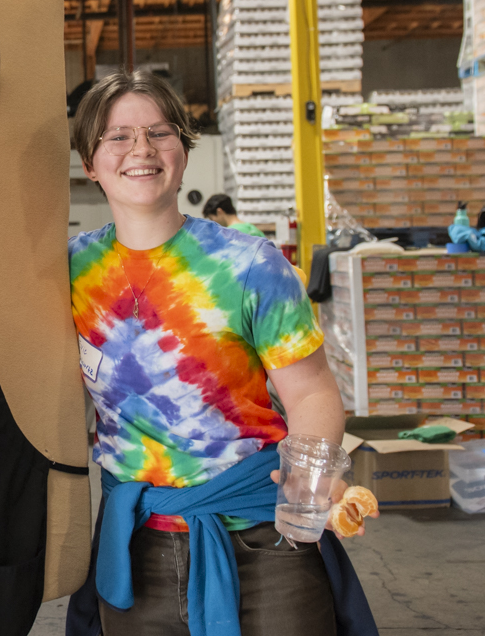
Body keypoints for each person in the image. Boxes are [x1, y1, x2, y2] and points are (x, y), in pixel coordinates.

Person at [63, 71, 375, 636]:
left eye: (160, 132)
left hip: (263, 538)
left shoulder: (251, 266)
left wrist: (310, 483)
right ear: (89, 162)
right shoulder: (69, 272)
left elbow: (311, 391)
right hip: (136, 547)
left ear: (183, 150)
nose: (141, 149)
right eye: (118, 136)